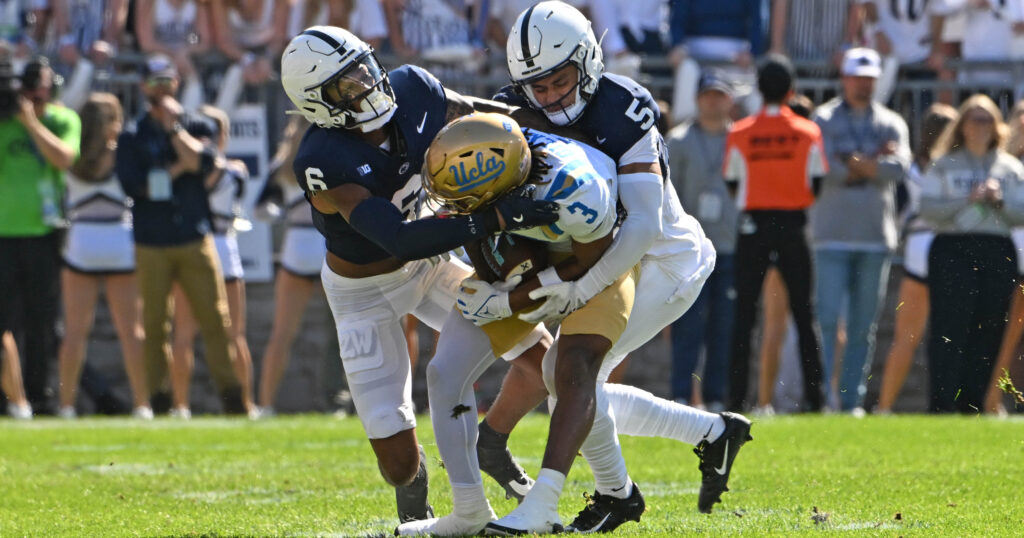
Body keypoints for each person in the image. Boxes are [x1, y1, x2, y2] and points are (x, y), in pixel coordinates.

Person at [399, 4, 751, 535]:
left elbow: (639, 228)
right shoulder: (513, 109)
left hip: (661, 257)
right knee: (573, 378)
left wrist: (569, 289)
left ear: (586, 61)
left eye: (559, 81)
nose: (548, 97)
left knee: (569, 371)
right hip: (590, 251)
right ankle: (693, 444)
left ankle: (606, 490)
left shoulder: (622, 105)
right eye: (535, 87)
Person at [278, 25, 559, 524]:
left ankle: (491, 443)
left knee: (544, 364)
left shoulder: (413, 88)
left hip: (428, 267)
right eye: (347, 83)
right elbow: (399, 238)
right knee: (397, 465)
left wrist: (541, 125)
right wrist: (497, 216)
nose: (366, 83)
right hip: (363, 292)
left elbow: (475, 115)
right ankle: (416, 486)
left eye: (364, 66)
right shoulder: (322, 159)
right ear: (318, 103)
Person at [416, 112, 643, 536]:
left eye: (464, 199)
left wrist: (509, 301)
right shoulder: (491, 146)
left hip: (599, 261)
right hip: (518, 254)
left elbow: (591, 259)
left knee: (568, 370)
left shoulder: (573, 188)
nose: (453, 206)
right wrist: (493, 280)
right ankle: (468, 511)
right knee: (444, 373)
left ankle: (551, 502)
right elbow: (471, 221)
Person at [116, 53, 247, 415]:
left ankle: (233, 399)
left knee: (216, 321)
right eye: (154, 82)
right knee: (156, 325)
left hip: (193, 235)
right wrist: (177, 169)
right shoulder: (132, 135)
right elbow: (135, 186)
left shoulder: (195, 125)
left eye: (167, 81)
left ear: (176, 83)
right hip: (152, 241)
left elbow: (202, 162)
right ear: (143, 86)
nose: (161, 89)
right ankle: (158, 401)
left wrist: (175, 130)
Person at [811, 47, 911, 413]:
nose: (863, 85)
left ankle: (851, 399)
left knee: (862, 326)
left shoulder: (891, 121)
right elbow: (822, 167)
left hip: (874, 236)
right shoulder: (822, 119)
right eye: (858, 77)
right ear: (845, 78)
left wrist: (852, 164)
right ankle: (823, 394)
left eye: (869, 79)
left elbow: (898, 168)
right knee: (825, 319)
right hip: (830, 232)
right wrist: (872, 164)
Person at [724, 54, 826, 413]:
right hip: (795, 225)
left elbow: (733, 183)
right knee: (804, 313)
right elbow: (816, 184)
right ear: (791, 90)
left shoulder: (740, 132)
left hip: (753, 225)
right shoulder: (808, 131)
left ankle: (736, 399)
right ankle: (816, 401)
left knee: (745, 316)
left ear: (758, 88)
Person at [918, 94, 1024, 413]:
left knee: (989, 326)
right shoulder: (945, 163)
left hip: (996, 248)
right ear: (962, 125)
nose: (981, 127)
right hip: (953, 249)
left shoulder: (1009, 167)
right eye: (974, 119)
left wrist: (999, 201)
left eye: (988, 120)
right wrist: (968, 199)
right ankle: (942, 404)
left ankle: (973, 403)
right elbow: (928, 210)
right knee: (949, 327)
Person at [56, 92, 151, 420]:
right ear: (111, 123)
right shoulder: (122, 153)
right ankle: (142, 404)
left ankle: (66, 406)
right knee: (131, 331)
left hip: (81, 241)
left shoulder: (71, 154)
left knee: (74, 332)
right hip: (118, 242)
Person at [0, 56, 81, 416]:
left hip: (44, 234)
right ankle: (9, 397)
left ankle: (42, 395)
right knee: (6, 322)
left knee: (43, 320)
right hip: (4, 234)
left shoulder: (63, 120)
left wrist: (30, 122)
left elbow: (63, 158)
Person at [169, 105, 257, 419]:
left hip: (203, 247)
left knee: (203, 334)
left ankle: (188, 405)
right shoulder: (224, 168)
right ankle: (237, 405)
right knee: (214, 334)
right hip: (213, 247)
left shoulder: (197, 168)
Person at [875, 103, 958, 414]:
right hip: (931, 248)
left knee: (909, 338)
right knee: (914, 337)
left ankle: (886, 408)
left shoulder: (914, 167)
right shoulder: (925, 169)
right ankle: (886, 407)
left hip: (922, 249)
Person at [668, 71, 737, 411]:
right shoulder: (678, 141)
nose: (713, 100)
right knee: (687, 327)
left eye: (720, 95)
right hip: (691, 251)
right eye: (708, 94)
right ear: (697, 99)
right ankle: (681, 394)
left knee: (724, 327)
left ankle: (714, 397)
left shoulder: (741, 138)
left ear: (730, 100)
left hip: (729, 244)